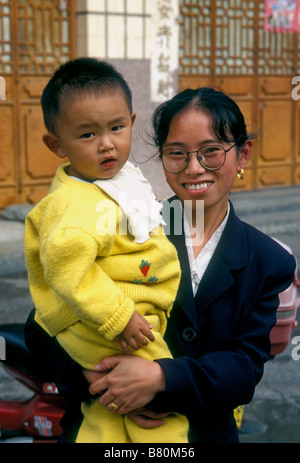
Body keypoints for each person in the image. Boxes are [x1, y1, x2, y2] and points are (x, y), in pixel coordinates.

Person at [25, 87, 296, 443]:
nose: (194, 168)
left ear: (242, 154)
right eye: (176, 154)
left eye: (211, 152)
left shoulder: (268, 260)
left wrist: (162, 379)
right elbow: (40, 325)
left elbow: (244, 368)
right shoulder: (122, 223)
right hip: (102, 428)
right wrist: (97, 378)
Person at [23, 57, 189, 443]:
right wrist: (119, 317)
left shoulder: (119, 179)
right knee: (161, 417)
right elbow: (69, 270)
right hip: (104, 321)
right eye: (86, 135)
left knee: (110, 418)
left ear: (131, 122)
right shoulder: (73, 203)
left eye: (116, 128)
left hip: (122, 316)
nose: (107, 143)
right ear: (56, 144)